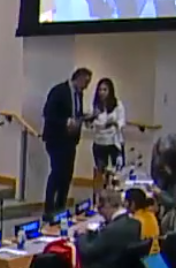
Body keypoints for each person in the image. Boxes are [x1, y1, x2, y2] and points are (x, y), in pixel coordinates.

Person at [41, 66, 92, 215]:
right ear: (79, 78)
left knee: (67, 175)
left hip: (70, 141)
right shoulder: (59, 91)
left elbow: (74, 113)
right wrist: (65, 122)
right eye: (86, 82)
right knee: (57, 172)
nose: (86, 86)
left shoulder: (79, 95)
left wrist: (84, 118)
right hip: (56, 139)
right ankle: (49, 209)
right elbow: (48, 113)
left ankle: (60, 207)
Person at [87, 77, 127, 182]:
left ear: (110, 91)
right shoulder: (95, 106)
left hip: (114, 142)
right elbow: (91, 124)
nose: (102, 92)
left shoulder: (117, 105)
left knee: (117, 172)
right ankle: (100, 195)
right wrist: (93, 119)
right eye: (100, 90)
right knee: (101, 172)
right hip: (99, 142)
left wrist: (113, 123)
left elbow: (121, 122)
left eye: (105, 90)